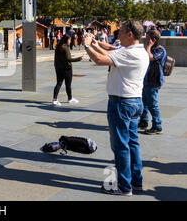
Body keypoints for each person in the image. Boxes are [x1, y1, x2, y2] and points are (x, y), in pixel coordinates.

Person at [84, 20, 148, 196]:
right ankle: (136, 182)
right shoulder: (138, 51)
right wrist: (95, 43)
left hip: (121, 103)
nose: (117, 35)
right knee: (133, 143)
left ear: (129, 35)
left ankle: (124, 186)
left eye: (120, 32)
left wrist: (87, 46)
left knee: (121, 146)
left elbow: (99, 59)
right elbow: (111, 52)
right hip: (135, 101)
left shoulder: (129, 54)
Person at [139, 29, 167, 134]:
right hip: (146, 80)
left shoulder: (160, 49)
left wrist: (149, 46)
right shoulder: (151, 48)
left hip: (154, 80)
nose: (145, 39)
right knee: (143, 103)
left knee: (152, 104)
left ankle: (157, 126)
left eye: (147, 37)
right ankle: (143, 122)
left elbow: (149, 57)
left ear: (153, 39)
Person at [52, 34, 83, 106]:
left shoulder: (58, 46)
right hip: (67, 69)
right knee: (68, 84)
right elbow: (68, 59)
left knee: (59, 83)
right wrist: (79, 59)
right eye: (69, 39)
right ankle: (70, 98)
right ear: (66, 40)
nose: (70, 41)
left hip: (59, 68)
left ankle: (54, 99)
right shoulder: (65, 48)